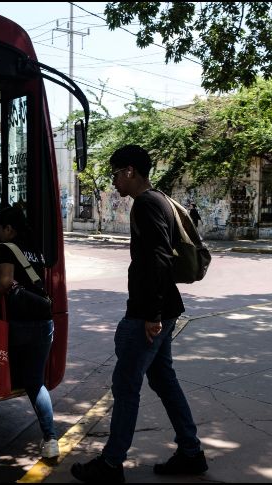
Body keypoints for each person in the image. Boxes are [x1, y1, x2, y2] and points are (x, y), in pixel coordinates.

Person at [71, 145, 206, 483]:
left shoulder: (146, 204)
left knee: (126, 384)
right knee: (163, 379)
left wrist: (152, 314)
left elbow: (159, 258)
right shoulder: (159, 199)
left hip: (150, 311)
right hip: (163, 306)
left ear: (130, 171)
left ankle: (111, 464)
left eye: (116, 174)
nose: (114, 181)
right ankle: (191, 452)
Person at [0, 206, 59, 460]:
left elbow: (5, 283)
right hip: (44, 321)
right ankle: (50, 440)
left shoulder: (5, 248)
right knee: (36, 383)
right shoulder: (35, 247)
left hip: (20, 323)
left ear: (9, 229)